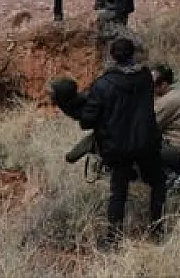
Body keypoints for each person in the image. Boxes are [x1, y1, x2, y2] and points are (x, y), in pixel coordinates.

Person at [55, 36, 164, 242]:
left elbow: (88, 121)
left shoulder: (103, 85)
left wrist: (74, 106)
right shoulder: (146, 77)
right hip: (146, 142)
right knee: (158, 183)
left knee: (118, 192)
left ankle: (113, 238)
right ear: (133, 54)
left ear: (112, 57)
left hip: (118, 146)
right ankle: (157, 230)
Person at [63, 62, 180, 190]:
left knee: (129, 145)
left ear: (163, 85)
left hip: (176, 149)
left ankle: (170, 177)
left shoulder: (169, 101)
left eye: (153, 86)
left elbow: (143, 124)